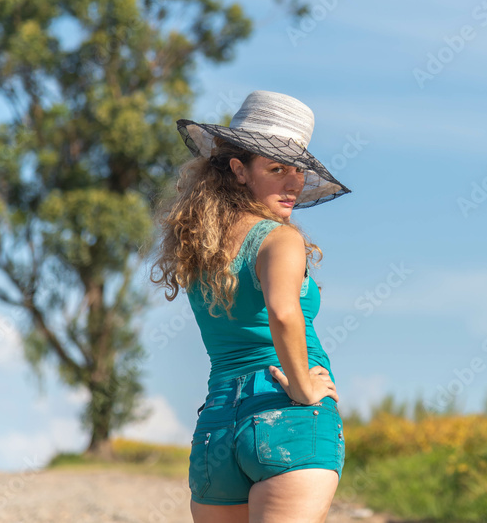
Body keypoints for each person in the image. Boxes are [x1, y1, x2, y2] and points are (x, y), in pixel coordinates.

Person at [149, 90, 352, 522]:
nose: (294, 182)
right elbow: (282, 313)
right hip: (288, 416)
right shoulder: (280, 240)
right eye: (277, 168)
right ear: (239, 170)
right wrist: (302, 387)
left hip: (218, 426)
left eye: (298, 169)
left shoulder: (202, 251)